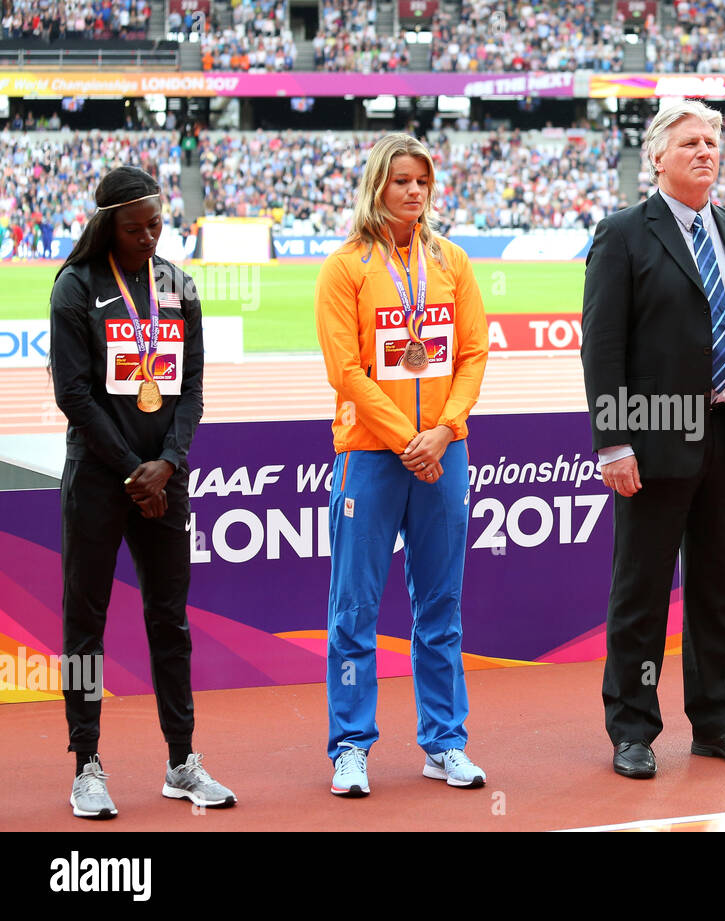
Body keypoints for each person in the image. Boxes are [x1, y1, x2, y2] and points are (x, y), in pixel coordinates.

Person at [580, 100, 725, 779]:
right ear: (657, 158)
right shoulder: (623, 235)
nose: (707, 151)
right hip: (654, 441)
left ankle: (717, 718)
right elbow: (603, 347)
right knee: (641, 591)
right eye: (691, 142)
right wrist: (614, 441)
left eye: (713, 141)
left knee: (715, 587)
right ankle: (634, 726)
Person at [49, 166, 236, 818]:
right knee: (84, 630)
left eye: (157, 225)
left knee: (170, 621)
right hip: (101, 480)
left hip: (165, 479)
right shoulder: (76, 288)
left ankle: (182, 759)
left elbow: (192, 389)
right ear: (108, 226)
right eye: (136, 229)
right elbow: (73, 393)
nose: (151, 238)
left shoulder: (179, 288)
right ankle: (86, 763)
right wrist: (134, 468)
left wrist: (170, 462)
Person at [315, 133, 489, 796]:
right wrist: (405, 437)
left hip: (443, 452)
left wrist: (443, 430)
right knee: (355, 607)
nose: (413, 191)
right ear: (376, 187)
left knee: (441, 606)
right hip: (372, 455)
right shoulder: (347, 266)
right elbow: (345, 370)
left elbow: (473, 353)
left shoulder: (451, 261)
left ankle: (444, 741)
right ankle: (351, 745)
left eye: (421, 181)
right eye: (400, 181)